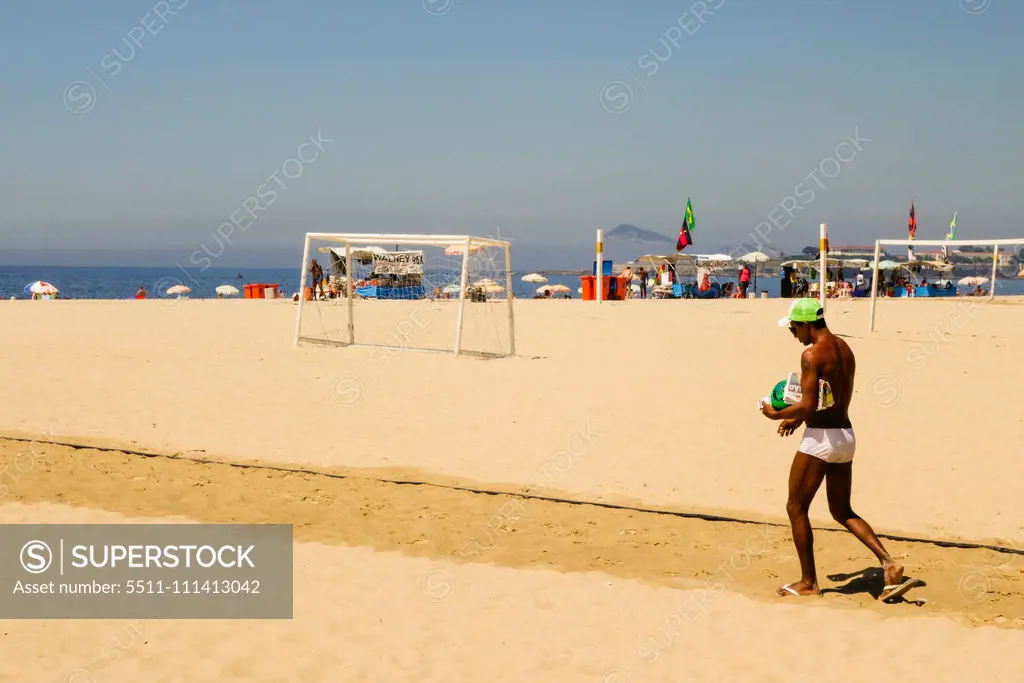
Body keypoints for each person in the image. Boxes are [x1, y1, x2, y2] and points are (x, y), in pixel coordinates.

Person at [760, 299, 920, 602]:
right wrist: (797, 418)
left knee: (795, 507)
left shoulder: (810, 354)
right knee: (842, 511)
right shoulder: (845, 349)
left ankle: (809, 582)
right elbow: (828, 399)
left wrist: (777, 414)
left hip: (821, 439)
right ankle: (889, 563)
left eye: (794, 327)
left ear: (807, 324)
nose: (793, 333)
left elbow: (810, 403)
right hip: (846, 435)